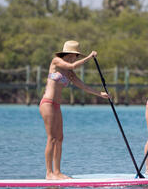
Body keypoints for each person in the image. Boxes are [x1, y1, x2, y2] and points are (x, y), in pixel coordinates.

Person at [39, 40, 109, 180]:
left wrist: (99, 94)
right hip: (47, 103)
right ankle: (49, 173)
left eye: (77, 56)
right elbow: (72, 65)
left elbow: (83, 86)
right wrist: (89, 57)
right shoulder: (56, 61)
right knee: (51, 138)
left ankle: (57, 172)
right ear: (67, 54)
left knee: (59, 138)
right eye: (74, 55)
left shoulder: (69, 72)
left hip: (57, 106)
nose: (75, 58)